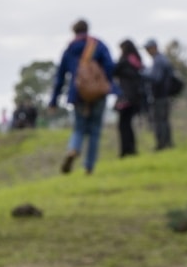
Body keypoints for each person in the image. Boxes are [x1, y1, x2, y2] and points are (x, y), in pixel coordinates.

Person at [47, 20, 115, 174]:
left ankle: (73, 149)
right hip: (98, 93)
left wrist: (54, 101)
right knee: (95, 130)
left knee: (79, 128)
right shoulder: (98, 45)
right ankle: (89, 167)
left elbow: (60, 77)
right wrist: (104, 82)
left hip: (78, 93)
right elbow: (110, 65)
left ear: (74, 31)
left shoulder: (70, 49)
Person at [112, 39, 145, 157]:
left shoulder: (124, 61)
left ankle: (126, 151)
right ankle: (131, 149)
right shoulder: (136, 61)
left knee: (123, 124)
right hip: (136, 97)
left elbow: (113, 70)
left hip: (126, 97)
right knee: (128, 124)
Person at [143, 38, 175, 150]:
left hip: (160, 95)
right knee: (164, 120)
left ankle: (162, 145)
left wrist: (143, 75)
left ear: (154, 48)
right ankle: (168, 143)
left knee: (159, 120)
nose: (147, 51)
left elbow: (157, 78)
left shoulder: (158, 60)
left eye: (148, 48)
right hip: (164, 95)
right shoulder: (162, 59)